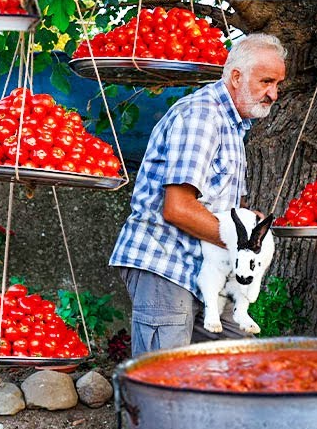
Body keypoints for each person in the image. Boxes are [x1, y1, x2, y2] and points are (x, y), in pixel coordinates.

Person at [109, 33, 287, 357]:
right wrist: (243, 242)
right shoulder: (203, 117)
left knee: (237, 358)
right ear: (236, 76)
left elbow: (224, 209)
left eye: (277, 84)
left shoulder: (233, 125)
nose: (273, 93)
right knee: (163, 377)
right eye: (266, 81)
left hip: (203, 266)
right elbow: (177, 208)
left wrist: (249, 222)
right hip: (165, 261)